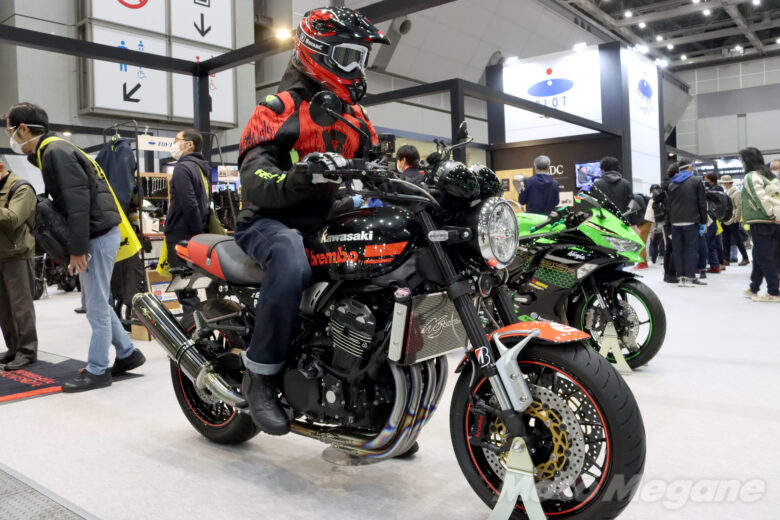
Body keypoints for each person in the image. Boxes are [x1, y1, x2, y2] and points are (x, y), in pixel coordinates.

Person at [234, 7, 388, 435]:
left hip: (323, 224)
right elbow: (256, 180)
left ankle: (375, 391)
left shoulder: (357, 118)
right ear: (316, 53)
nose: (356, 70)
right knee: (289, 255)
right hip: (268, 222)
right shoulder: (277, 108)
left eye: (361, 59)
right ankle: (260, 376)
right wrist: (299, 176)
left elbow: (379, 170)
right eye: (347, 57)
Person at [5, 102, 146, 391]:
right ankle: (127, 353)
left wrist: (78, 249)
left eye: (11, 131)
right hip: (98, 232)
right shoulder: (53, 149)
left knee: (95, 306)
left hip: (95, 235)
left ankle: (97, 370)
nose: (11, 138)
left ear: (23, 129)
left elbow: (78, 202)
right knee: (98, 301)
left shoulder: (55, 151)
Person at [165, 128, 210, 311]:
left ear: (189, 144)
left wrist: (196, 233)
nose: (174, 144)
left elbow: (189, 204)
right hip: (193, 233)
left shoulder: (183, 168)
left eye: (176, 140)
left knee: (184, 288)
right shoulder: (200, 168)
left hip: (182, 234)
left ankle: (194, 323)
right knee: (191, 285)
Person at [0, 161, 38, 371]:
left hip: (17, 254)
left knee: (21, 307)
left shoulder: (21, 188)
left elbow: (14, 218)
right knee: (4, 308)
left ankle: (28, 351)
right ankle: (14, 348)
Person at [740, 147, 780, 302]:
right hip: (772, 221)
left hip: (761, 220)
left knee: (764, 257)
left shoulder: (751, 176)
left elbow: (760, 198)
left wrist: (770, 214)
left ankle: (773, 292)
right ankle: (754, 288)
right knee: (759, 255)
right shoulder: (768, 175)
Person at [668, 159, 708, 287]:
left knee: (678, 250)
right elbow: (702, 203)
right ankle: (690, 277)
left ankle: (681, 278)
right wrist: (704, 222)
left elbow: (669, 205)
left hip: (675, 222)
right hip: (691, 220)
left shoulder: (672, 183)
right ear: (690, 167)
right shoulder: (696, 181)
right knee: (691, 250)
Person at [719, 174, 749, 266]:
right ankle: (726, 259)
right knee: (725, 240)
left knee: (738, 240)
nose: (723, 184)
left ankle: (745, 258)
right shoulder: (725, 191)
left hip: (732, 220)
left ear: (728, 183)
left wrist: (735, 219)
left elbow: (738, 207)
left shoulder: (736, 192)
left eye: (724, 183)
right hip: (725, 219)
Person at [703, 172, 726, 274]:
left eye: (706, 178)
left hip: (712, 218)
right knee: (712, 244)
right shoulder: (713, 188)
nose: (704, 179)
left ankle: (719, 263)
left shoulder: (716, 189)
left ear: (710, 179)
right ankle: (715, 265)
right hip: (713, 218)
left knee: (713, 243)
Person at [627, 191, 650, 269]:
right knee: (641, 242)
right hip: (644, 222)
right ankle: (642, 262)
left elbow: (630, 212)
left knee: (641, 242)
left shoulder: (635, 198)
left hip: (644, 222)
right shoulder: (638, 197)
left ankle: (643, 263)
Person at [646, 184, 666, 265]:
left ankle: (658, 258)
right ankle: (656, 258)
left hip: (659, 223)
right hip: (658, 223)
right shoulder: (654, 200)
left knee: (657, 241)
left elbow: (651, 215)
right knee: (656, 241)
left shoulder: (656, 200)